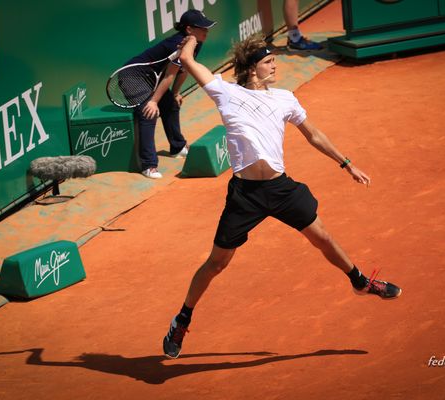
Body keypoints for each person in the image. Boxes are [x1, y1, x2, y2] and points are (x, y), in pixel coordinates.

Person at [162, 33, 401, 359]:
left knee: (323, 238)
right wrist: (188, 39)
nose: (275, 66)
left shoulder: (285, 98)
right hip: (245, 195)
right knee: (217, 263)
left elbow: (313, 134)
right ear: (251, 69)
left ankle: (359, 282)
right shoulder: (226, 92)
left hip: (280, 188)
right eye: (268, 62)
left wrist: (346, 163)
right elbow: (189, 61)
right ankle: (183, 317)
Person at [124, 10, 216, 179]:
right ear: (189, 29)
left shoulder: (196, 41)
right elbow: (169, 75)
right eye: (203, 28)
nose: (206, 31)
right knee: (148, 112)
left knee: (171, 104)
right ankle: (149, 165)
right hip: (132, 76)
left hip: (151, 77)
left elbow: (184, 69)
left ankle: (177, 147)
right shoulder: (177, 45)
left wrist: (175, 93)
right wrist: (153, 101)